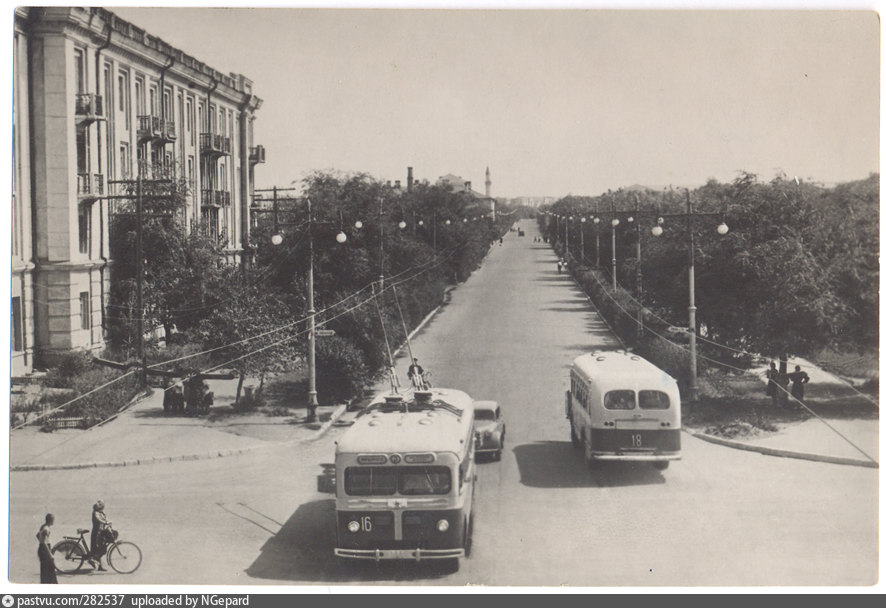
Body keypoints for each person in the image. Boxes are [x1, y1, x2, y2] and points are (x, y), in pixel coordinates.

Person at [36, 513, 57, 583]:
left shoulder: (43, 526)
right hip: (45, 550)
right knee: (49, 570)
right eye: (53, 520)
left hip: (42, 549)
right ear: (51, 520)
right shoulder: (46, 529)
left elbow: (37, 535)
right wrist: (50, 554)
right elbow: (44, 543)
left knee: (46, 570)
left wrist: (41, 541)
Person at [89, 500, 108, 571]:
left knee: (100, 548)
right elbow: (99, 520)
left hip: (101, 532)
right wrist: (106, 522)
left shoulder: (100, 512)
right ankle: (93, 560)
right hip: (97, 533)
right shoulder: (96, 513)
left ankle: (99, 566)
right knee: (98, 548)